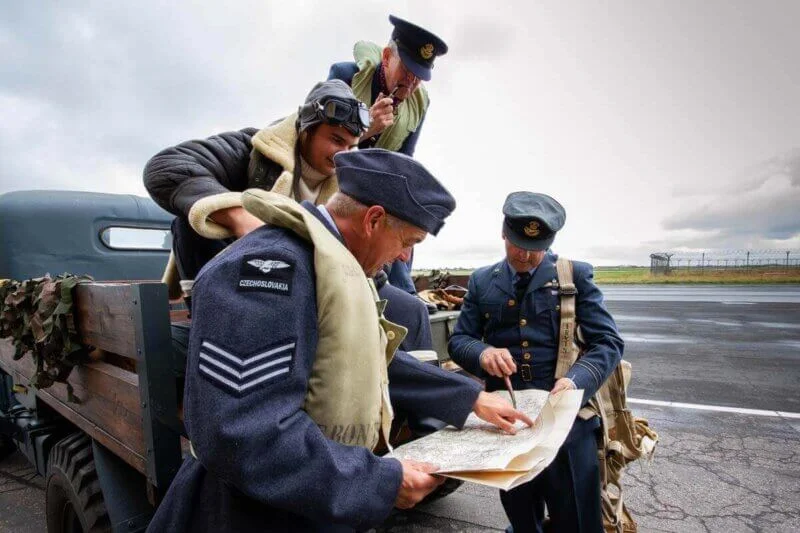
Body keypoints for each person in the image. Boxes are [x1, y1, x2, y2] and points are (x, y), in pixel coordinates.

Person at [146, 149, 533, 532]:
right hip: (250, 515)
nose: (403, 258)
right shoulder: (272, 271)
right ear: (374, 219)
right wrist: (379, 482)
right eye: (408, 240)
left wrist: (469, 397)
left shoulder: (335, 265)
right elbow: (243, 433)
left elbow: (361, 359)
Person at [143, 79, 431, 351]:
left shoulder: (349, 182)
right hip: (246, 288)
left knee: (412, 311)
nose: (342, 154)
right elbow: (166, 167)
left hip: (314, 287)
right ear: (306, 129)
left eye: (350, 146)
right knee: (194, 217)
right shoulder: (253, 150)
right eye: (335, 139)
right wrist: (243, 218)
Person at [448, 192, 624, 533]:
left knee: (578, 521)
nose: (525, 255)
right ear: (503, 233)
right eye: (517, 245)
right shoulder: (483, 280)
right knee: (521, 516)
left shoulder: (575, 276)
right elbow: (459, 340)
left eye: (536, 246)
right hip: (508, 421)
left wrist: (575, 382)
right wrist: (482, 353)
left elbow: (608, 342)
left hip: (566, 420)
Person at [328, 14, 448, 293]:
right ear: (385, 57)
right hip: (335, 179)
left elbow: (404, 162)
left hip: (378, 186)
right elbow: (322, 141)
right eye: (406, 70)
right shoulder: (345, 75)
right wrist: (364, 128)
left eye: (420, 76)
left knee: (403, 216)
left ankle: (403, 293)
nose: (412, 82)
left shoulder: (418, 104)